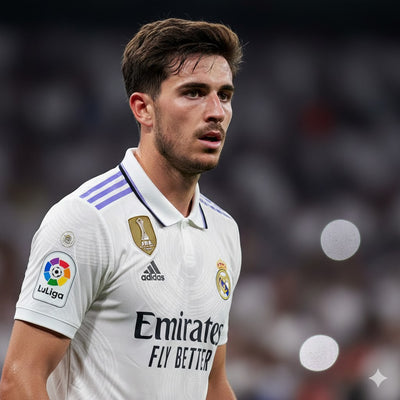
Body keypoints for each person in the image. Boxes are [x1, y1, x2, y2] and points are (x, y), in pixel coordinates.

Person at [0, 18, 243, 399]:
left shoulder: (224, 230)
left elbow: (213, 382)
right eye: (194, 92)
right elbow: (20, 378)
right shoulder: (87, 220)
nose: (216, 111)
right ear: (143, 109)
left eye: (224, 95)